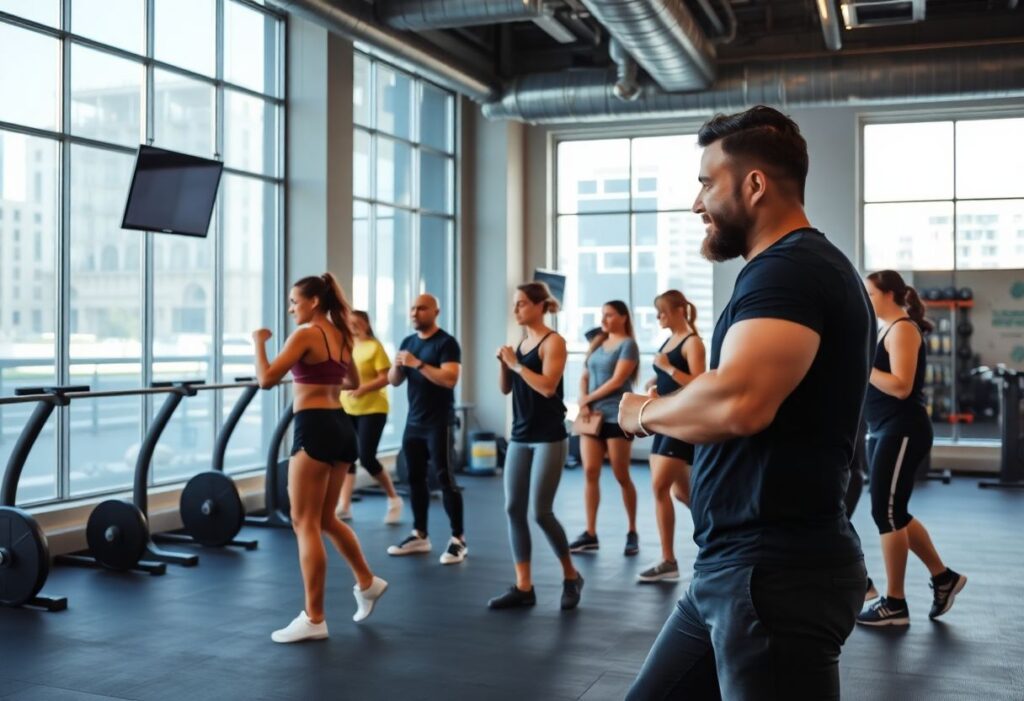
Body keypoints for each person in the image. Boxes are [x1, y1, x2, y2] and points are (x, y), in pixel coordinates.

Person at [618, 106, 872, 699]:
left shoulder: (790, 270)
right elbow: (731, 389)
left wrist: (643, 414)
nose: (696, 202)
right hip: (732, 568)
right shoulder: (778, 272)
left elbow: (740, 402)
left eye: (707, 182)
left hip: (773, 576)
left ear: (754, 184)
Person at [253, 273, 387, 644]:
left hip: (313, 426)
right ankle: (367, 581)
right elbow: (353, 383)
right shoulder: (343, 335)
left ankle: (314, 618)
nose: (291, 308)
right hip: (342, 425)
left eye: (295, 301)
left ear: (313, 302)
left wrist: (258, 342)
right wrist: (320, 376)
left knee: (304, 522)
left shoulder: (307, 334)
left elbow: (265, 379)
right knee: (325, 518)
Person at [857, 270, 966, 626]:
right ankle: (943, 578)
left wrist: (863, 368)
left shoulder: (903, 329)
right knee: (896, 513)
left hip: (902, 429)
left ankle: (895, 604)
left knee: (885, 514)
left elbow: (901, 386)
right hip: (885, 430)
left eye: (871, 293)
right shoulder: (886, 330)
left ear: (890, 294)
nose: (867, 299)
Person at [489, 282, 584, 610]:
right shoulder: (522, 342)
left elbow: (547, 387)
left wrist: (516, 364)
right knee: (513, 508)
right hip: (520, 435)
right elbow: (506, 389)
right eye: (515, 304)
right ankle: (523, 586)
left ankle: (571, 576)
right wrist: (505, 365)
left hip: (549, 437)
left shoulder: (553, 341)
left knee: (541, 512)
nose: (516, 310)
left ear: (540, 306)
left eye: (522, 304)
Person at [386, 294, 467, 565]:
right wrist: (397, 367)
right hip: (414, 422)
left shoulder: (446, 343)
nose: (414, 313)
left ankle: (458, 539)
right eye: (412, 308)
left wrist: (418, 364)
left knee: (445, 478)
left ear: (435, 311)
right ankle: (419, 534)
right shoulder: (408, 343)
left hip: (438, 422)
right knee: (414, 478)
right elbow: (394, 381)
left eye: (421, 308)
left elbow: (450, 379)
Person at [638, 290, 706, 583]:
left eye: (662, 312)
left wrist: (667, 368)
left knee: (659, 486)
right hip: (664, 417)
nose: (659, 317)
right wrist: (656, 381)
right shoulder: (670, 341)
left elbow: (701, 384)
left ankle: (668, 560)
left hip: (680, 421)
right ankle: (722, 532)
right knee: (681, 493)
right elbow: (672, 378)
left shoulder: (693, 342)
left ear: (679, 310)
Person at [569, 301, 641, 556]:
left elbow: (618, 380)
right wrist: (582, 399)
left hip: (616, 416)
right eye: (603, 315)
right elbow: (585, 374)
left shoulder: (627, 345)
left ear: (623, 317)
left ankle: (632, 531)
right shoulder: (598, 343)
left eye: (610, 315)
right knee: (590, 471)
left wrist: (588, 399)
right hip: (592, 416)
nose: (605, 319)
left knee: (621, 475)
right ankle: (590, 533)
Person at [336, 310, 403, 525]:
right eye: (350, 323)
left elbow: (387, 378)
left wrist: (363, 388)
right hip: (347, 408)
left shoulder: (375, 347)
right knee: (346, 457)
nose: (353, 326)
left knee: (366, 457)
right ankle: (344, 506)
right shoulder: (346, 346)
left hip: (373, 409)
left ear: (366, 324)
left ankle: (394, 498)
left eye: (357, 323)